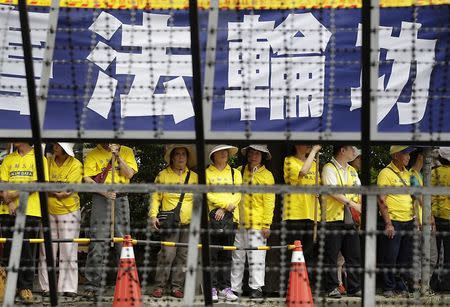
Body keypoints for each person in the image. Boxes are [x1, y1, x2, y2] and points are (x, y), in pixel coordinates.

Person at [82, 144, 138, 298]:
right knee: (98, 241)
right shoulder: (94, 153)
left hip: (121, 197)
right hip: (100, 197)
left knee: (123, 240)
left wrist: (118, 156)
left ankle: (127, 283)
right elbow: (87, 178)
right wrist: (104, 191)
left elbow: (129, 174)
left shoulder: (127, 151)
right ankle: (92, 284)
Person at [0, 143, 48, 303]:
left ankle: (25, 287)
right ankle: (11, 285)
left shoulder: (39, 158)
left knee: (27, 250)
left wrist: (13, 195)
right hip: (8, 211)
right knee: (9, 248)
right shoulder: (8, 159)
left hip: (31, 210)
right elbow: (3, 182)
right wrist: (9, 201)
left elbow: (37, 184)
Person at [149, 144, 198, 299]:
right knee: (167, 254)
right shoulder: (162, 175)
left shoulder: (195, 177)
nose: (180, 157)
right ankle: (159, 286)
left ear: (187, 158)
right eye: (177, 154)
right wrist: (153, 215)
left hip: (189, 223)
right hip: (170, 223)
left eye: (183, 154)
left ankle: (177, 287)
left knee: (183, 256)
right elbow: (155, 197)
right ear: (171, 157)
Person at [37, 143, 83, 297]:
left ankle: (68, 287)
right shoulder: (48, 161)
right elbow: (41, 185)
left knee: (68, 250)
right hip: (48, 211)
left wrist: (51, 188)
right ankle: (46, 287)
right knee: (46, 249)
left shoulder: (76, 164)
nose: (55, 145)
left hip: (69, 211)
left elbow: (65, 192)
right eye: (55, 143)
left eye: (58, 144)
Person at [230, 145, 275, 299]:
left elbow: (269, 202)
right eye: (251, 153)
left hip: (258, 223)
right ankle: (234, 288)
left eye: (257, 153)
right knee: (237, 255)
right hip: (239, 221)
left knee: (256, 257)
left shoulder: (267, 176)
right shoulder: (239, 171)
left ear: (262, 156)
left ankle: (256, 288)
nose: (253, 156)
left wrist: (266, 224)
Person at [321, 145, 362, 298]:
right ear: (342, 150)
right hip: (333, 218)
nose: (354, 152)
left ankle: (354, 287)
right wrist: (354, 205)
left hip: (350, 218)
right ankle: (331, 287)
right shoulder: (328, 168)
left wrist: (360, 204)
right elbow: (333, 191)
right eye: (352, 149)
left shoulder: (352, 170)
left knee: (354, 254)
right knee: (331, 255)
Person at [377, 145, 416, 298]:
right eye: (405, 153)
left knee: (405, 257)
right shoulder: (385, 173)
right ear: (395, 155)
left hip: (408, 221)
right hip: (394, 221)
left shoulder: (407, 173)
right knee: (390, 256)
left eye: (409, 154)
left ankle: (401, 286)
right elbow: (381, 199)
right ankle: (388, 287)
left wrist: (415, 218)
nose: (408, 156)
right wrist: (388, 223)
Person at [206, 144, 242, 302]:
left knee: (228, 255)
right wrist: (224, 205)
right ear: (213, 155)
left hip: (230, 219)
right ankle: (212, 288)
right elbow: (207, 193)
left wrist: (226, 209)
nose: (224, 154)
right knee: (212, 255)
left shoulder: (235, 173)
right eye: (220, 151)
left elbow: (238, 194)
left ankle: (226, 288)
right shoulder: (206, 172)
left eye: (226, 151)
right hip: (212, 219)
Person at [283, 145, 321, 268]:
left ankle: (305, 284)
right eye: (307, 143)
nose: (310, 146)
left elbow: (318, 184)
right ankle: (292, 283)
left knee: (309, 251)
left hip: (312, 212)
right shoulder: (289, 161)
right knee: (294, 251)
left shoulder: (315, 164)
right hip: (295, 212)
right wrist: (314, 151)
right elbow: (302, 172)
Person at [337, 146, 362, 295]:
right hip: (340, 215)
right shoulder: (336, 169)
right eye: (358, 157)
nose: (359, 160)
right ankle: (338, 283)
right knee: (338, 256)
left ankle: (351, 285)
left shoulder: (354, 173)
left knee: (351, 255)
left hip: (354, 216)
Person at [430, 147, 450, 292]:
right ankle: (446, 284)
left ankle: (432, 282)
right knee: (448, 254)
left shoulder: (433, 172)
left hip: (435, 217)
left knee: (434, 252)